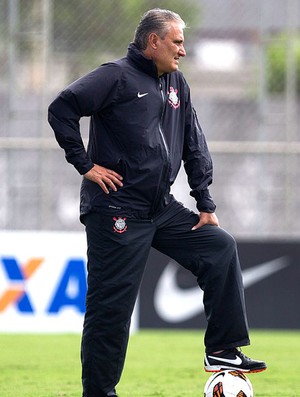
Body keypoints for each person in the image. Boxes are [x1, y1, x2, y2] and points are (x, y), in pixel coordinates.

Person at [48, 8, 266, 397]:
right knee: (110, 312)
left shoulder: (176, 84)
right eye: (177, 41)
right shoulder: (115, 76)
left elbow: (193, 143)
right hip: (115, 209)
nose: (183, 50)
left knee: (219, 248)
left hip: (159, 208)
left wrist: (205, 202)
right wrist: (84, 164)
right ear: (154, 42)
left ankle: (222, 351)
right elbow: (62, 108)